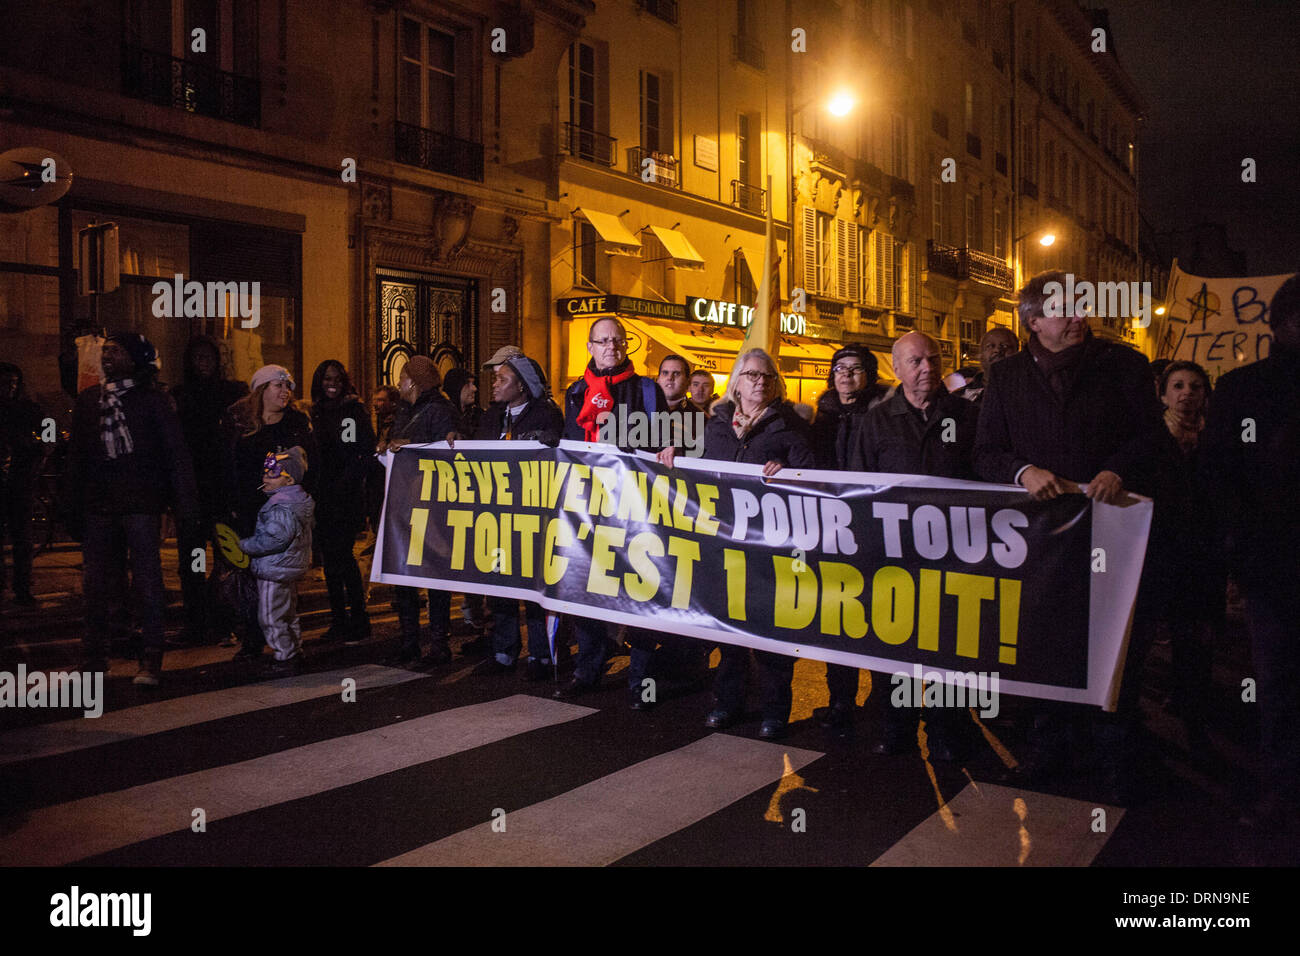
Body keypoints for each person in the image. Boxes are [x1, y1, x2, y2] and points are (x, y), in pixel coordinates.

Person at [974, 270, 1163, 794]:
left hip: (1113, 533)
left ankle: (1117, 756)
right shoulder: (1007, 376)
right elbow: (986, 452)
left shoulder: (1123, 364)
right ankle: (1049, 748)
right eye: (1065, 309)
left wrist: (1118, 470)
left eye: (1083, 305)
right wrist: (1022, 472)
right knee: (1046, 644)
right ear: (1034, 321)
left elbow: (1152, 436)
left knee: (1115, 644)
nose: (1079, 316)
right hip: (1043, 543)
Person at [662, 348, 816, 739]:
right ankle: (727, 703)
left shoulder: (790, 427)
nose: (759, 382)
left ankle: (774, 711)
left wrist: (792, 470)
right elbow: (701, 464)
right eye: (751, 375)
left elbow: (815, 475)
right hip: (725, 546)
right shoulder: (716, 426)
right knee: (728, 631)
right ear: (736, 382)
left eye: (767, 377)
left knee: (771, 633)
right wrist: (674, 455)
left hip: (770, 549)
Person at [842, 332, 980, 757]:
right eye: (916, 361)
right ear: (897, 370)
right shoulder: (876, 422)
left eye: (934, 359)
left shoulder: (966, 416)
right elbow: (858, 488)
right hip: (894, 559)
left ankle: (945, 732)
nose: (928, 368)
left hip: (955, 558)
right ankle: (896, 727)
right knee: (895, 650)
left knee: (950, 650)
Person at [1200, 270, 1300, 826]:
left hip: (1269, 560)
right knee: (1281, 680)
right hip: (1276, 561)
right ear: (1284, 324)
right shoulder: (1244, 389)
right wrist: (1240, 552)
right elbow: (1219, 476)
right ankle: (1285, 786)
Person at [66, 332, 198, 686]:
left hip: (141, 503)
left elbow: (174, 454)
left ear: (134, 359)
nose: (108, 355)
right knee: (96, 585)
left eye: (117, 350)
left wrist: (183, 505)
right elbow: (76, 456)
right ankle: (94, 657)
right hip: (99, 505)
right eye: (105, 350)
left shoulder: (153, 401)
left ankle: (150, 659)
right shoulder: (89, 400)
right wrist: (72, 507)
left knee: (147, 582)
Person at [556, 317, 671, 704]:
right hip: (587, 510)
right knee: (584, 592)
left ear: (626, 347)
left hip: (635, 511)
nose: (611, 347)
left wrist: (671, 447)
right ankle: (588, 668)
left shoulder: (647, 391)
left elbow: (670, 440)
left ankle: (641, 680)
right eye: (603, 341)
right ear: (590, 347)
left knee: (640, 595)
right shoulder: (575, 393)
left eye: (618, 341)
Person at [1139, 361, 1221, 751]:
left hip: (1203, 557)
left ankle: (1194, 714)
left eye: (1195, 386)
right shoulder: (1150, 439)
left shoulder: (1218, 440)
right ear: (1163, 394)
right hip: (1157, 553)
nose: (1187, 393)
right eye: (1178, 386)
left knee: (1196, 641)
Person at [470, 354, 565, 677]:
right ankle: (503, 651)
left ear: (522, 386)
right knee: (501, 585)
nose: (494, 385)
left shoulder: (547, 416)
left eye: (502, 379)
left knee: (533, 587)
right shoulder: (490, 418)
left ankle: (541, 654)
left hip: (532, 515)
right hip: (496, 515)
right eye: (494, 378)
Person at [221, 365, 319, 663]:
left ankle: (286, 647)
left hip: (280, 517)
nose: (285, 391)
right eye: (278, 385)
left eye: (287, 386)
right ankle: (253, 638)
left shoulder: (296, 424)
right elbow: (226, 468)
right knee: (249, 581)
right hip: (247, 512)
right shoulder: (241, 425)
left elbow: (309, 467)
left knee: (277, 586)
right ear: (261, 390)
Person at [380, 356, 460, 667]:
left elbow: (449, 452)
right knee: (405, 575)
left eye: (402, 378)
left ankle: (439, 644)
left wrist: (410, 444)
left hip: (432, 504)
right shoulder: (404, 409)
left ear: (412, 382)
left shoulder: (440, 410)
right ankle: (409, 640)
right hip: (405, 502)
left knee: (434, 575)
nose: (398, 384)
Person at [170, 337, 249, 644]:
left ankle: (224, 620)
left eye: (208, 358)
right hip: (192, 491)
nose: (203, 363)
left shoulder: (229, 393)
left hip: (222, 491)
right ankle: (196, 620)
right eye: (197, 358)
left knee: (227, 559)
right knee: (192, 561)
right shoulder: (182, 395)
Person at [309, 360, 376, 643]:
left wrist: (348, 481)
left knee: (343, 556)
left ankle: (359, 618)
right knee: (330, 561)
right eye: (326, 378)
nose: (331, 383)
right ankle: (339, 618)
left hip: (344, 496)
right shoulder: (317, 411)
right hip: (323, 494)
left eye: (336, 378)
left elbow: (362, 450)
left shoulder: (351, 411)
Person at [239, 447, 314, 675]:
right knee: (288, 612)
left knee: (270, 615)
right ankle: (294, 650)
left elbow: (275, 539)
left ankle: (284, 657)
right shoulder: (295, 501)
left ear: (288, 478)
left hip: (274, 567)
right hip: (286, 567)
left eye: (273, 473)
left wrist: (245, 546)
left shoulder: (281, 506)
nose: (265, 477)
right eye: (265, 472)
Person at [0, 361, 42, 607]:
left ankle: (22, 588)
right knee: (20, 538)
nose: (10, 388)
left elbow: (46, 436)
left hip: (20, 480)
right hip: (16, 479)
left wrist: (35, 451)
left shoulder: (28, 409)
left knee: (22, 538)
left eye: (13, 383)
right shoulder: (25, 409)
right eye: (6, 383)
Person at [811, 345, 888, 471]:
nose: (846, 373)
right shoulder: (823, 416)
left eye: (856, 368)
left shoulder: (882, 417)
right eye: (840, 367)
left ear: (869, 374)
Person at [950, 327, 1020, 402]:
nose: (997, 350)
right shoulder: (960, 398)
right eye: (990, 346)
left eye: (1005, 346)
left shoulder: (1027, 392)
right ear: (981, 355)